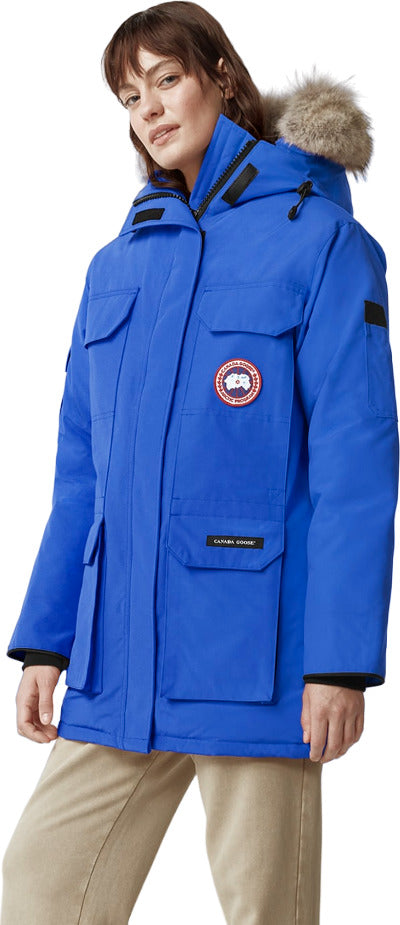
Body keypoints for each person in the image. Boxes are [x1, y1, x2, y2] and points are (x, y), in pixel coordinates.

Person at [1, 3, 398, 923]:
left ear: (221, 76)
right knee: (39, 890)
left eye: (165, 80)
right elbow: (80, 475)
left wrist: (339, 664)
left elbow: (355, 465)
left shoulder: (320, 241)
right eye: (128, 96)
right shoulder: (116, 266)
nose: (147, 109)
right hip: (118, 658)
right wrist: (47, 641)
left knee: (265, 911)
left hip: (254, 658)